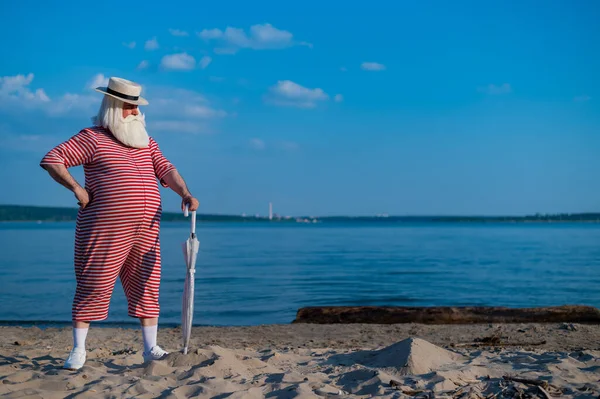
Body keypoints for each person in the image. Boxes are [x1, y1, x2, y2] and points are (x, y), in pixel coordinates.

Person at [39, 77, 199, 370]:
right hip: (104, 228)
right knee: (93, 284)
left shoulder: (145, 141)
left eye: (137, 106)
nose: (135, 112)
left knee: (147, 284)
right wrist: (77, 189)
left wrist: (186, 193)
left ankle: (150, 348)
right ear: (113, 106)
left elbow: (166, 168)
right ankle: (78, 349)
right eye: (129, 106)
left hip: (146, 229)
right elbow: (53, 159)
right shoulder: (92, 137)